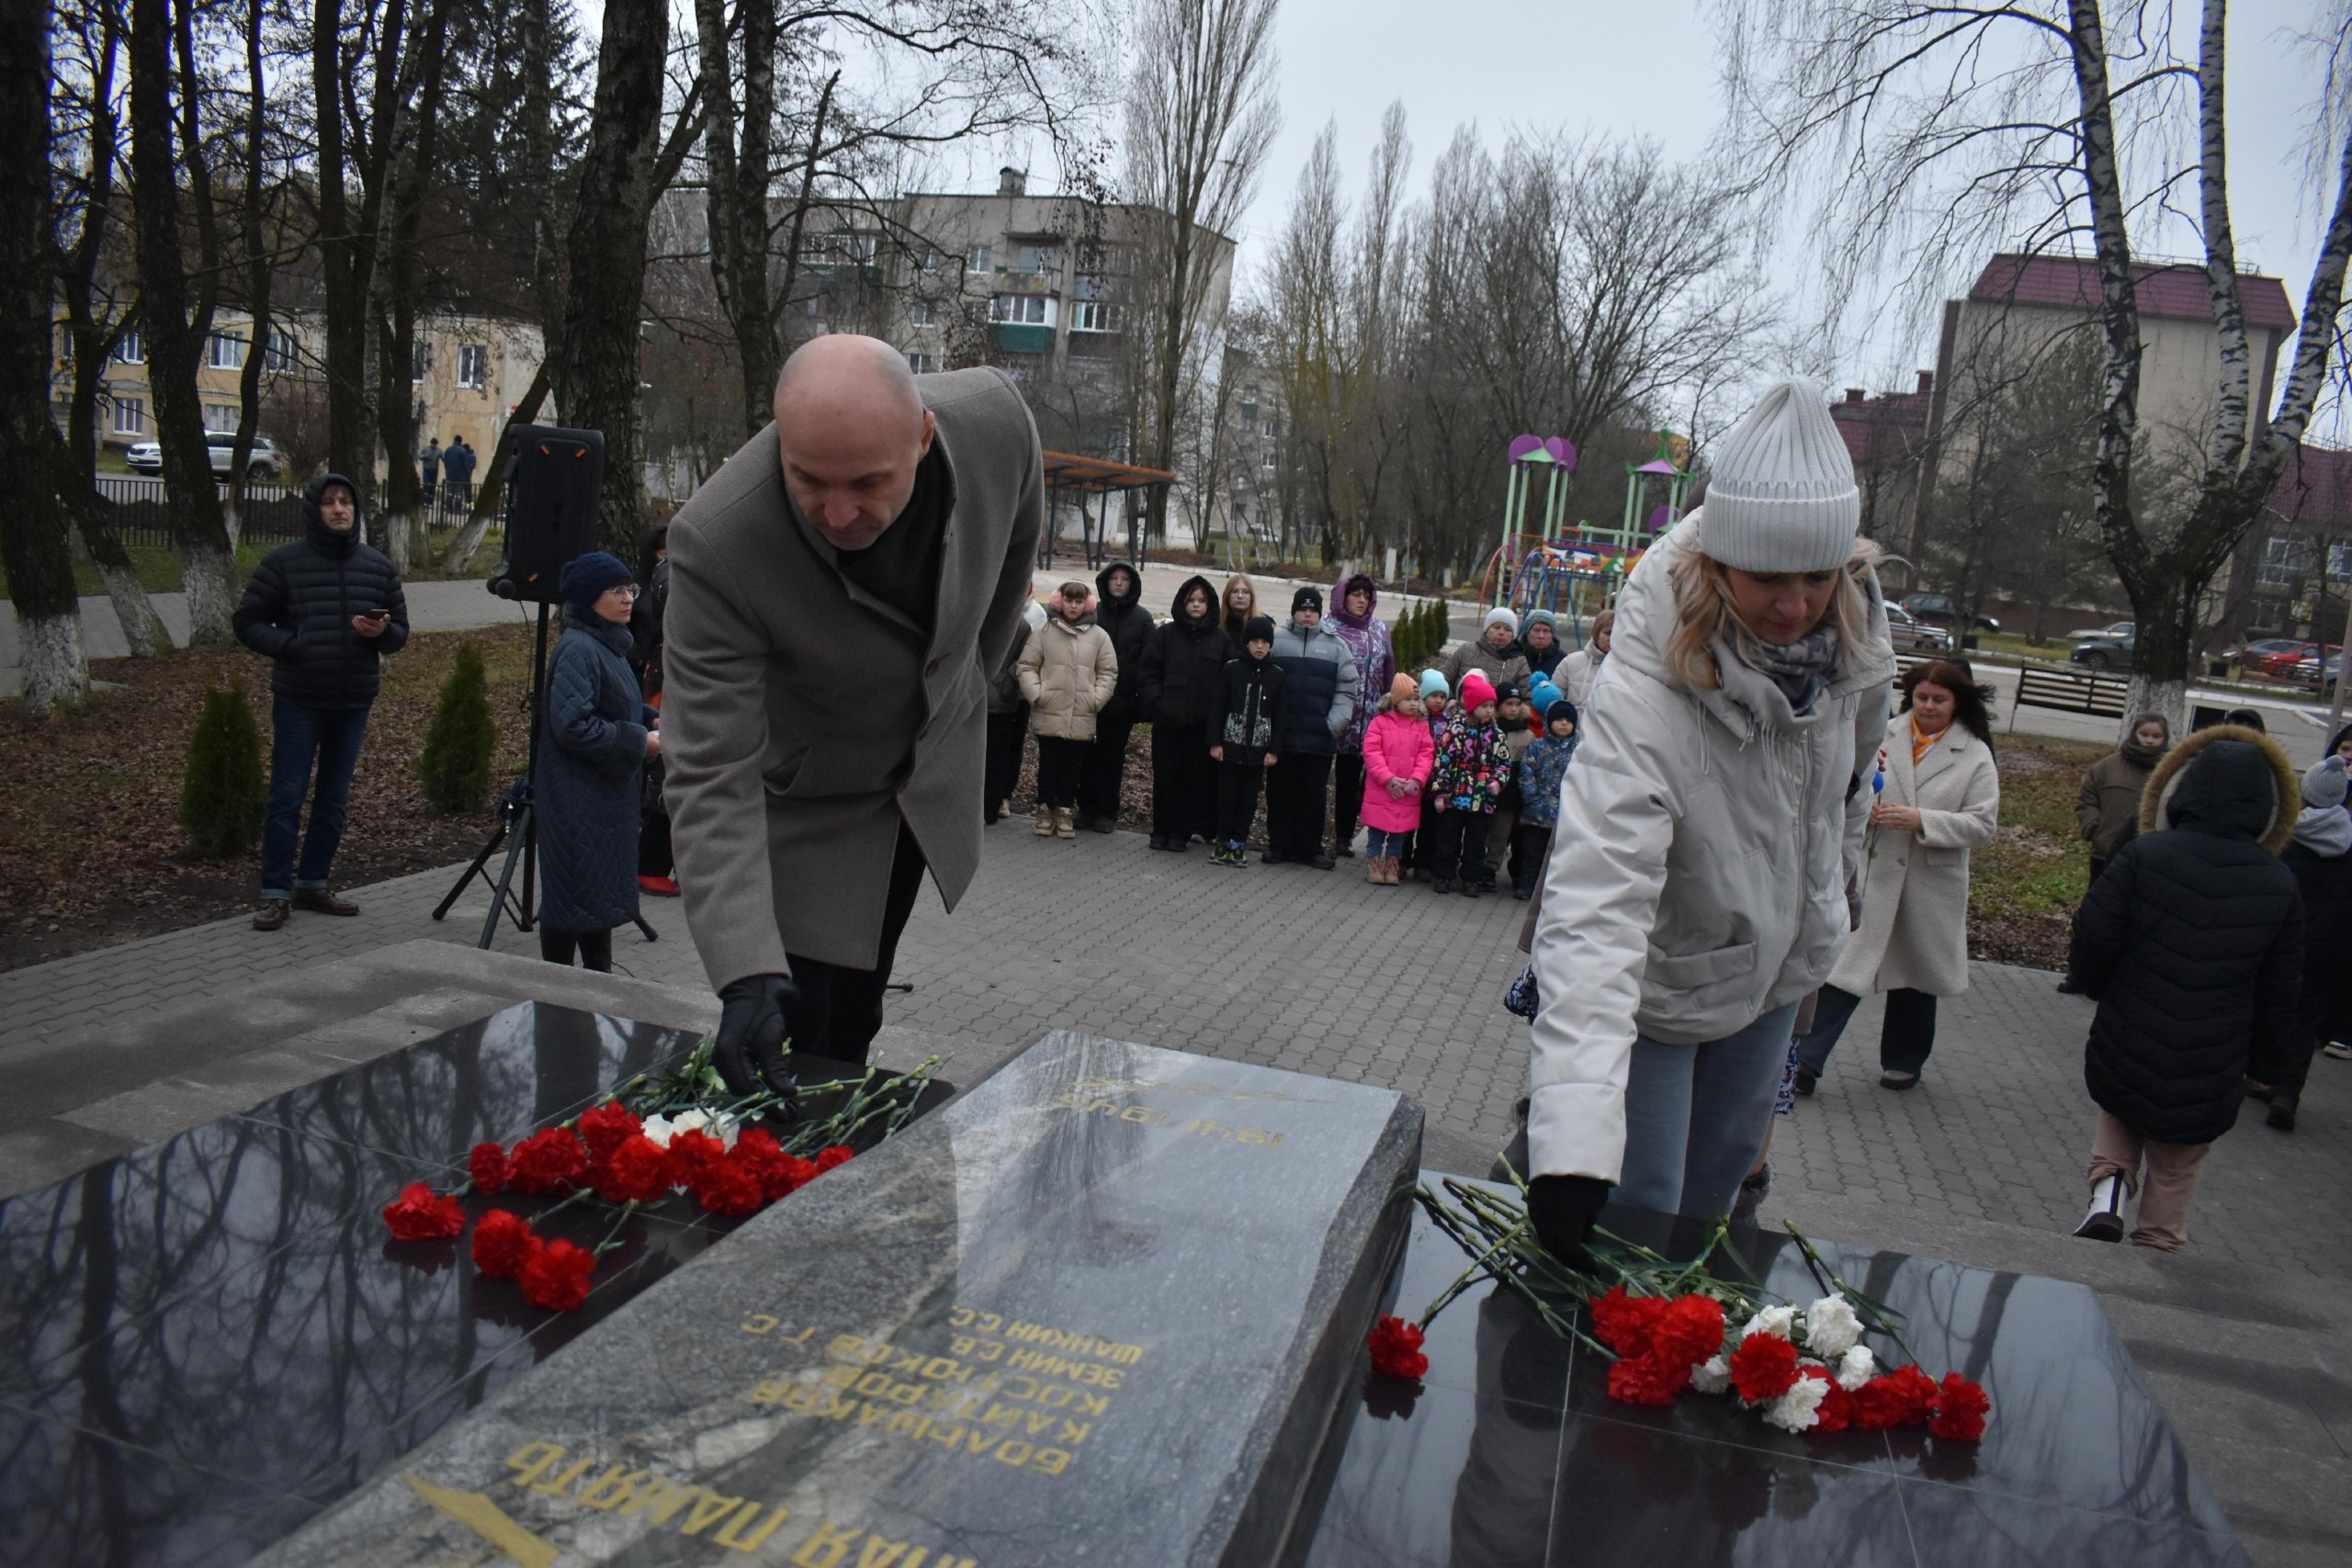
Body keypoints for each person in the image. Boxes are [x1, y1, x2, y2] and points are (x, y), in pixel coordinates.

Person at [1517, 378, 1897, 1259]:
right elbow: (1599, 890)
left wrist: (1829, 901)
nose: (1796, 603)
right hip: (1657, 974)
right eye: (1768, 576)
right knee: (1631, 1211)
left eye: (1818, 574)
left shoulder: (1858, 641)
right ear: (1720, 560)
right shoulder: (1651, 678)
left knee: (1706, 1213)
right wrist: (1573, 1145)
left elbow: (1849, 786)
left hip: (1774, 973)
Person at [663, 335, 1042, 1089]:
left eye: (870, 483)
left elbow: (1014, 556)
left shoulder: (997, 422)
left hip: (921, 775)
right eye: (808, 480)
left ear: (925, 436)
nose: (837, 514)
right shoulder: (717, 541)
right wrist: (743, 970)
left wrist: (961, 687)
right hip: (811, 794)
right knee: (794, 1016)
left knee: (857, 1010)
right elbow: (709, 768)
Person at [2069, 725, 2301, 1250]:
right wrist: (2267, 1065)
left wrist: (2098, 986)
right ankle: (2159, 1240)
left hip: (2134, 1016)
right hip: (2215, 1045)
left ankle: (2107, 1195)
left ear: (2185, 789)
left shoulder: (2145, 854)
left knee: (2120, 1106)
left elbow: (2096, 930)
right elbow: (2282, 987)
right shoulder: (2279, 883)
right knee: (2178, 1158)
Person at [1791, 660, 2001, 1091]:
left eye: (1939, 700)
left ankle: (1904, 1061)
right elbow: (1847, 784)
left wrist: (1922, 820)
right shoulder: (1885, 733)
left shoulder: (1975, 752)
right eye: (1922, 697)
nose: (1928, 706)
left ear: (1957, 703)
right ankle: (1807, 1062)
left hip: (1930, 884)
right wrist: (1862, 810)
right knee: (1844, 969)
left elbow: (1983, 824)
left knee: (1916, 975)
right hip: (1877, 872)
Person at [233, 471, 411, 931]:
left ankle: (313, 882)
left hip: (353, 700)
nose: (338, 509)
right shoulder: (283, 564)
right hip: (300, 699)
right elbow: (247, 622)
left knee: (333, 800)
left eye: (345, 502)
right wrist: (292, 646)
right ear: (316, 510)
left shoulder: (377, 567)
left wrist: (382, 633)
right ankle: (275, 892)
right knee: (288, 797)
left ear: (355, 510)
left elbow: (400, 635)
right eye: (329, 502)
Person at [536, 553, 655, 971]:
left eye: (630, 589)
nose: (628, 599)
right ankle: (556, 991)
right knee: (572, 899)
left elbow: (618, 706)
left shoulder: (607, 644)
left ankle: (598, 989)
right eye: (617, 591)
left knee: (594, 898)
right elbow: (572, 726)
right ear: (590, 599)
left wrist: (653, 720)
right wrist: (643, 742)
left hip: (601, 797)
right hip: (577, 799)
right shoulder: (579, 648)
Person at [2249, 755, 2352, 1130]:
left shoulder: (2285, 838)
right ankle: (2287, 1093)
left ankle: (2259, 1075)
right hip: (2327, 951)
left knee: (2267, 1008)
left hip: (2282, 947)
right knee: (2306, 1023)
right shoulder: (2348, 842)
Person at [1264, 587, 1361, 869]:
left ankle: (1309, 848)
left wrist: (1333, 724)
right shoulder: (1276, 641)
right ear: (1294, 610)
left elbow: (1348, 688)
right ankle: (1279, 845)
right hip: (1282, 737)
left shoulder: (1336, 646)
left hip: (1318, 738)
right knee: (1279, 791)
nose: (1307, 614)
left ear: (1320, 613)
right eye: (1302, 608)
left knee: (1313, 794)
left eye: (1313, 609)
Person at [1018, 581, 1118, 840]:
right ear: (1059, 601)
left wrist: (1096, 700)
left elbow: (1108, 672)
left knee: (1072, 768)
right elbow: (1027, 665)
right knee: (1048, 765)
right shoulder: (1044, 632)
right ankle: (1044, 809)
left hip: (1081, 715)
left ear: (1086, 604)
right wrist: (1036, 694)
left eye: (1078, 601)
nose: (1073, 606)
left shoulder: (1099, 637)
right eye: (1068, 600)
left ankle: (1064, 810)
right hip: (1049, 711)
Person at [1138, 574, 1230, 851]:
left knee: (1193, 780)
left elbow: (1228, 684)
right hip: (1168, 722)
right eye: (1191, 599)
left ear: (1209, 604)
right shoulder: (1165, 635)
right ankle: (1160, 831)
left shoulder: (1221, 640)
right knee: (1165, 776)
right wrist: (1158, 702)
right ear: (1183, 602)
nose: (1196, 605)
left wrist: (1215, 716)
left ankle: (1181, 833)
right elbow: (1147, 671)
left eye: (1201, 600)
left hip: (1201, 727)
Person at [1078, 560, 1153, 833]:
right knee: (1087, 756)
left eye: (1124, 579)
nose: (1119, 583)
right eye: (1114, 578)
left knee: (1112, 758)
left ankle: (1107, 812)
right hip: (1089, 698)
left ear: (1132, 584)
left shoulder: (1143, 619)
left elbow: (1147, 664)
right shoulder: (1093, 613)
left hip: (1123, 701)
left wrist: (1138, 702)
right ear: (1106, 582)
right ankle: (1085, 808)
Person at [1328, 572, 1396, 858]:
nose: (1361, 600)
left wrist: (1391, 707)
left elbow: (1388, 670)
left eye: (1366, 596)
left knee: (1356, 781)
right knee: (1326, 778)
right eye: (1355, 594)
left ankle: (1346, 836)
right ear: (1343, 596)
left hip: (1369, 721)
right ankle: (1323, 836)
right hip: (1335, 716)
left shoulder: (1379, 630)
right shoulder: (1328, 628)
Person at [1425, 671, 1511, 896]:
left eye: (1492, 706)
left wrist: (1496, 782)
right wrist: (1442, 790)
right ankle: (1444, 874)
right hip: (1456, 791)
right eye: (1484, 705)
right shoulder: (1455, 730)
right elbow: (1442, 760)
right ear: (1472, 706)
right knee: (1448, 837)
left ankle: (1472, 878)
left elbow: (1504, 762)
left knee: (1476, 840)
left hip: (1482, 797)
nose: (1490, 710)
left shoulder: (1496, 734)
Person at [1209, 615, 1285, 868]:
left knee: (1248, 799)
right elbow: (1217, 707)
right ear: (1247, 643)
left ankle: (1239, 843)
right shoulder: (1232, 669)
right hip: (1231, 748)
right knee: (1226, 796)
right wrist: (1215, 742)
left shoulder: (1277, 675)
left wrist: (1274, 750)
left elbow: (1280, 715)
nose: (1260, 646)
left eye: (1265, 641)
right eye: (1255, 641)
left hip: (1257, 751)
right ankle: (1222, 842)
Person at [630, 525, 678, 897]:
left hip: (665, 681)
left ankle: (658, 862)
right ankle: (651, 864)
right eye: (659, 550)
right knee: (665, 773)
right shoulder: (670, 577)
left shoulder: (664, 577)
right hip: (665, 685)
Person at [1359, 673, 1433, 886]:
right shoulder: (1379, 723)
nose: (1413, 704)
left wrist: (1416, 780)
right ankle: (1374, 864)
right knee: (1377, 831)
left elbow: (1426, 755)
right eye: (1408, 699)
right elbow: (1372, 753)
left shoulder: (1420, 726)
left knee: (1399, 833)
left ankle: (1392, 865)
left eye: (1416, 700)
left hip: (1407, 790)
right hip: (1382, 788)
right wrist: (1387, 779)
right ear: (1395, 700)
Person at [1513, 697, 1578, 899]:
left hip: (1565, 816)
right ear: (1549, 722)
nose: (1564, 724)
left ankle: (1553, 891)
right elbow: (1526, 774)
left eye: (1568, 721)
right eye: (1559, 720)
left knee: (1559, 857)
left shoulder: (1578, 751)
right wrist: (1533, 799)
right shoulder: (1537, 747)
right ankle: (1528, 886)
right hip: (1536, 815)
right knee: (1533, 854)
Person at [982, 602, 1041, 825]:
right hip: (974, 699)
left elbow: (1024, 660)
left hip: (1001, 701)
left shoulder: (1021, 626)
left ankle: (990, 807)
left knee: (998, 757)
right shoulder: (977, 615)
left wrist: (1005, 684)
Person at [1481, 682, 1538, 893]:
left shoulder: (1526, 735)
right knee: (1480, 832)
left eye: (1517, 704)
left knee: (1499, 836)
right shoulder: (1489, 729)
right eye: (1508, 704)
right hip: (1486, 792)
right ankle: (1476, 864)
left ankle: (1490, 869)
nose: (1513, 709)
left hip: (1510, 797)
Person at [1404, 669, 1451, 881]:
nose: (1438, 701)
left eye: (1442, 697)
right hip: (1414, 779)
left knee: (1429, 827)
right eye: (1434, 696)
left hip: (1434, 783)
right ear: (1424, 696)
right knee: (1406, 824)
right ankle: (1402, 861)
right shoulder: (1415, 719)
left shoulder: (1449, 723)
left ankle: (1423, 862)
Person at [1442, 606, 1532, 694]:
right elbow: (1442, 679)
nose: (1501, 632)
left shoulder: (1519, 661)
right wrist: (1450, 699)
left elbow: (1527, 694)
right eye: (1497, 627)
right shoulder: (1467, 650)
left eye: (1508, 629)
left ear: (1513, 635)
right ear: (1487, 630)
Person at [1557, 608, 1613, 707]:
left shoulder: (1625, 669)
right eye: (1607, 633)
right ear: (1596, 633)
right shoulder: (1571, 662)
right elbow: (1554, 698)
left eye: (1615, 634)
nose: (1611, 638)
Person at [1518, 609, 1566, 680]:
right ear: (1528, 632)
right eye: (1536, 630)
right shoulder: (1514, 656)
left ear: (1552, 635)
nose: (1541, 636)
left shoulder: (1563, 661)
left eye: (1546, 631)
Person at [1220, 573, 1260, 647]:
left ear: (1251, 597)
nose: (1240, 596)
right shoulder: (1215, 624)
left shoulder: (1262, 626)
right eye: (1235, 591)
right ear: (1227, 595)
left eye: (1246, 592)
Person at [442, 435, 477, 504]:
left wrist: (447, 469)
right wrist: (467, 475)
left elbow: (445, 461)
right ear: (461, 441)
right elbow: (465, 464)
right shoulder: (462, 451)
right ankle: (457, 507)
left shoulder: (448, 449)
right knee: (458, 493)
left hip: (449, 474)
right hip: (460, 476)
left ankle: (449, 506)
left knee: (450, 492)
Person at [419, 437, 442, 503]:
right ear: (431, 443)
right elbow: (420, 456)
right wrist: (425, 456)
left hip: (434, 471)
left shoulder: (439, 451)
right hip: (426, 470)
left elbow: (443, 458)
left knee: (433, 486)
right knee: (426, 485)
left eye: (435, 445)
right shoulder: (426, 449)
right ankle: (425, 500)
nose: (434, 446)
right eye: (433, 444)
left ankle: (430, 501)